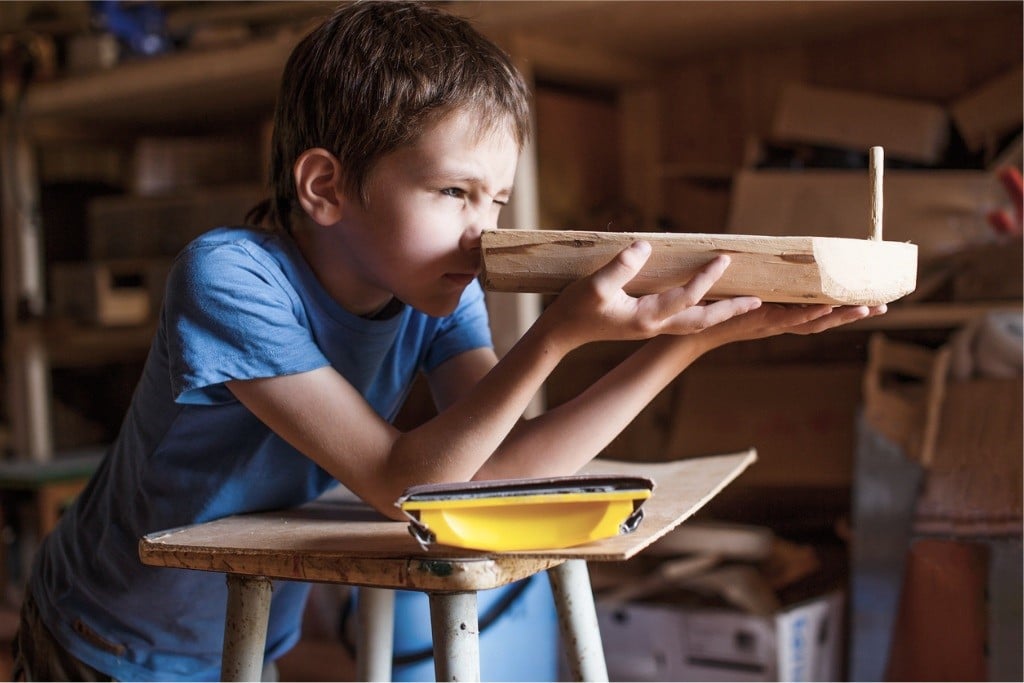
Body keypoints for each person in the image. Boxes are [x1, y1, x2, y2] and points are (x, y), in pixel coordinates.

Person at [12, 1, 885, 680]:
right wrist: (552, 338)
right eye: (454, 192)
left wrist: (686, 344)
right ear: (326, 185)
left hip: (231, 633)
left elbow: (515, 476)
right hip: (106, 634)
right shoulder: (231, 278)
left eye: (496, 202)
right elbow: (404, 484)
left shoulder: (436, 289)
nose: (482, 233)